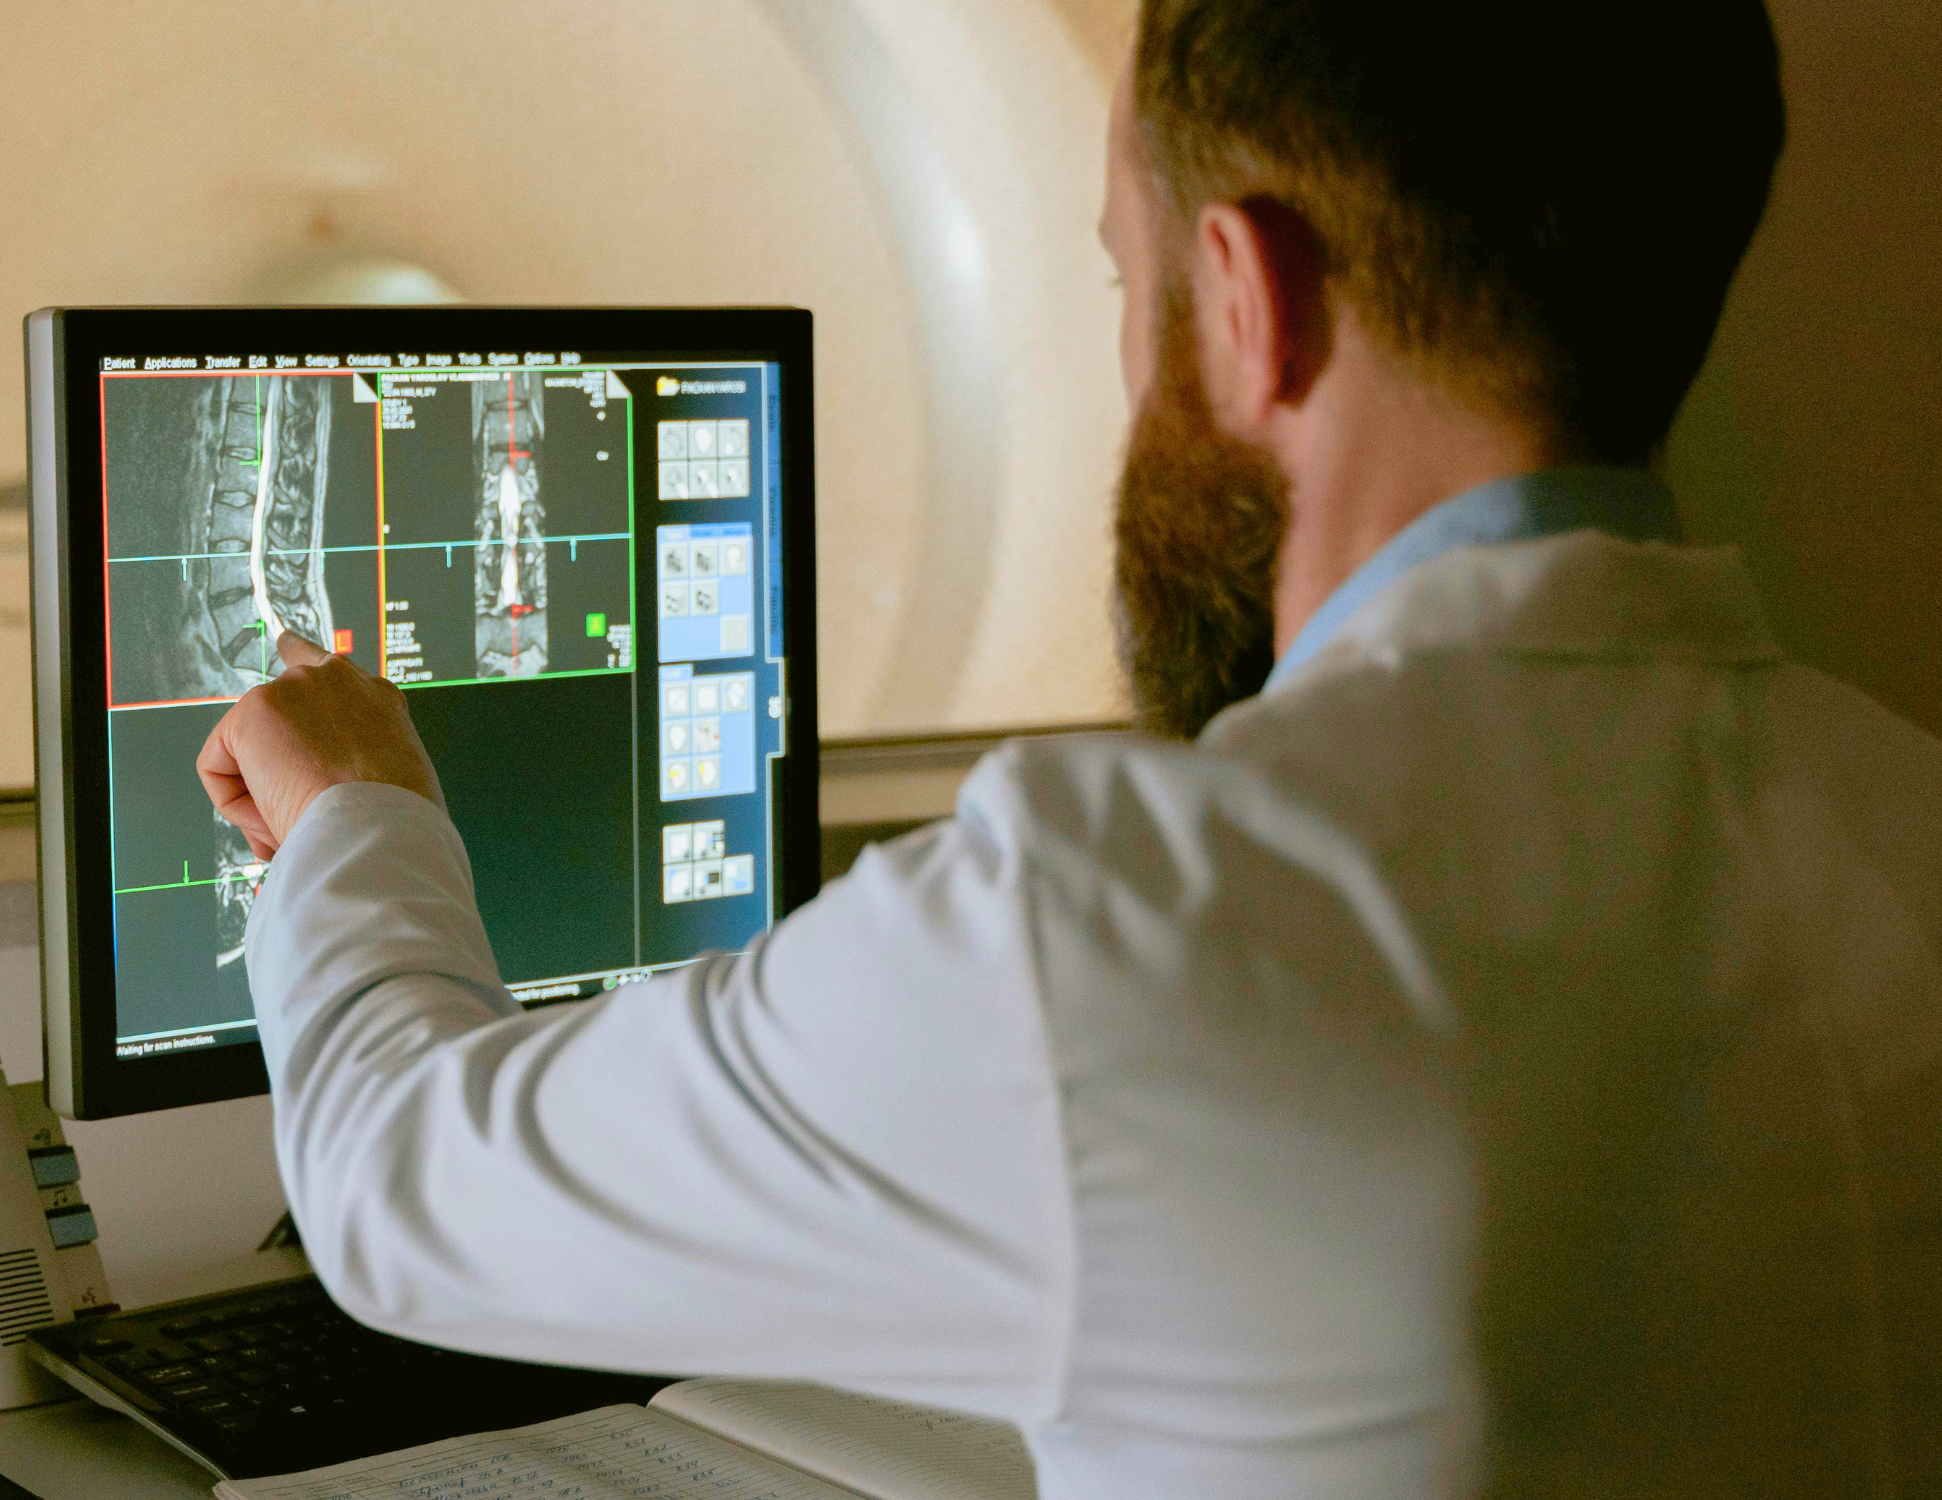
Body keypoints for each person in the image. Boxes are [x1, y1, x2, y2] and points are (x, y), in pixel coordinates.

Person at [199, 3, 1942, 1494]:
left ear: (1248, 296)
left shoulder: (1131, 915)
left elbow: (402, 1190)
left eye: (1127, 275)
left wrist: (357, 806)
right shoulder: (1901, 813)